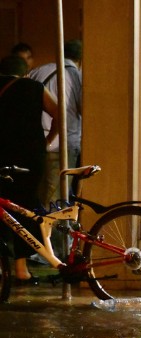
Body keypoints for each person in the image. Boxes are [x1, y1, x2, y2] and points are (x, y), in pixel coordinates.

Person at [0, 55, 58, 285]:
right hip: (30, 156)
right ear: (25, 72)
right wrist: (47, 140)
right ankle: (21, 269)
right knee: (24, 206)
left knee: (2, 207)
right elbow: (59, 113)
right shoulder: (35, 87)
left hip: (2, 154)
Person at [29, 39, 82, 207]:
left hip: (37, 143)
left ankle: (36, 232)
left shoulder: (38, 71)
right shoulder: (76, 76)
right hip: (63, 145)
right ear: (80, 59)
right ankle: (53, 234)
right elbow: (84, 109)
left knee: (38, 194)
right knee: (56, 200)